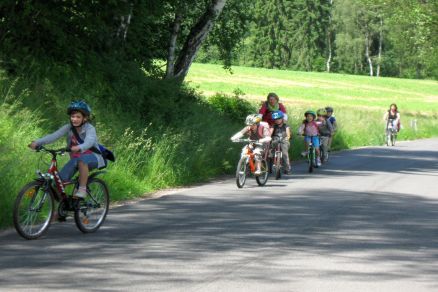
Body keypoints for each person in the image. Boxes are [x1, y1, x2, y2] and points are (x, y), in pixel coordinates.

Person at [29, 100, 106, 198]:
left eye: (78, 117)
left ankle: (82, 189)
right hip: (75, 160)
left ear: (85, 118)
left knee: (82, 161)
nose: (74, 119)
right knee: (59, 182)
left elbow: (89, 142)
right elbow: (54, 136)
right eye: (73, 116)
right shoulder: (69, 127)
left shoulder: (90, 128)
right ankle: (59, 210)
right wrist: (37, 142)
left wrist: (79, 147)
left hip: (93, 157)